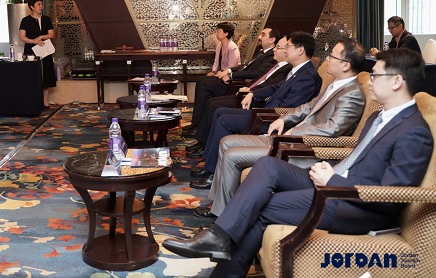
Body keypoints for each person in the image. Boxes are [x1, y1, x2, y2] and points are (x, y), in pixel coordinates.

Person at [163, 48, 432, 278]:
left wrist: (333, 181)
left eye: (375, 75)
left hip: (356, 206)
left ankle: (220, 247)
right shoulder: (379, 117)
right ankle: (218, 237)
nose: (369, 81)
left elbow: (391, 197)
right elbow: (359, 157)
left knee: (260, 208)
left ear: (397, 81)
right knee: (268, 166)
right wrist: (331, 172)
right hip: (337, 185)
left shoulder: (413, 131)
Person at [196, 37, 366, 218]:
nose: (327, 59)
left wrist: (295, 131)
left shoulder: (353, 93)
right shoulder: (335, 85)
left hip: (302, 148)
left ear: (346, 65)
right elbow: (308, 106)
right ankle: (219, 204)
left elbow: (333, 129)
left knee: (231, 154)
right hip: (288, 137)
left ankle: (222, 213)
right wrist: (284, 119)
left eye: (332, 56)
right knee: (226, 142)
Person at [190, 31, 322, 189]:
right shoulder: (298, 71)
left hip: (271, 120)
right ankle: (209, 166)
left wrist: (264, 112)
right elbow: (275, 87)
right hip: (266, 112)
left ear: (300, 50)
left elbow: (290, 109)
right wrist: (253, 94)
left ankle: (212, 173)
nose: (285, 50)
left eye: (288, 46)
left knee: (224, 119)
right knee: (219, 112)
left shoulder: (307, 76)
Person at [186, 35, 291, 156]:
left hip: (257, 102)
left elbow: (267, 83)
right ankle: (201, 138)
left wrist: (250, 91)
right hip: (247, 92)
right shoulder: (271, 60)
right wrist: (247, 87)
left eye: (278, 47)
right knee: (211, 100)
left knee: (215, 106)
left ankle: (204, 145)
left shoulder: (285, 68)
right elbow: (260, 79)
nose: (274, 49)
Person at [183, 27, 279, 138]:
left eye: (263, 35)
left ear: (272, 40)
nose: (259, 37)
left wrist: (231, 75)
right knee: (202, 80)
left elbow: (256, 73)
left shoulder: (270, 56)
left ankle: (199, 126)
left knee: (205, 85)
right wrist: (228, 71)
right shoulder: (261, 52)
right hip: (236, 81)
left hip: (239, 84)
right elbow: (245, 66)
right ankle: (198, 123)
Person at [19, 0, 57, 107]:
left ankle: (45, 101)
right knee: (32, 74)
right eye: (38, 4)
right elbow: (22, 37)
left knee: (46, 74)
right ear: (32, 7)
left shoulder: (46, 19)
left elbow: (51, 34)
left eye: (41, 4)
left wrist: (41, 37)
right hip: (31, 50)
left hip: (44, 49)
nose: (41, 7)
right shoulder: (25, 20)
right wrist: (33, 41)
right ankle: (32, 100)